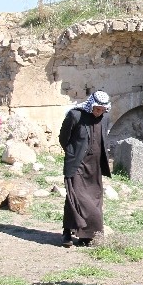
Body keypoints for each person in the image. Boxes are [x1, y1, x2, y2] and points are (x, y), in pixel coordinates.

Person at [58, 91, 112, 248]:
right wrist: (73, 153)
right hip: (77, 165)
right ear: (91, 105)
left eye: (102, 110)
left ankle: (83, 236)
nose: (99, 112)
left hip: (95, 167)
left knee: (90, 200)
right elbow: (63, 138)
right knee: (77, 198)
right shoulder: (75, 116)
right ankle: (70, 233)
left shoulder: (105, 118)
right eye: (96, 109)